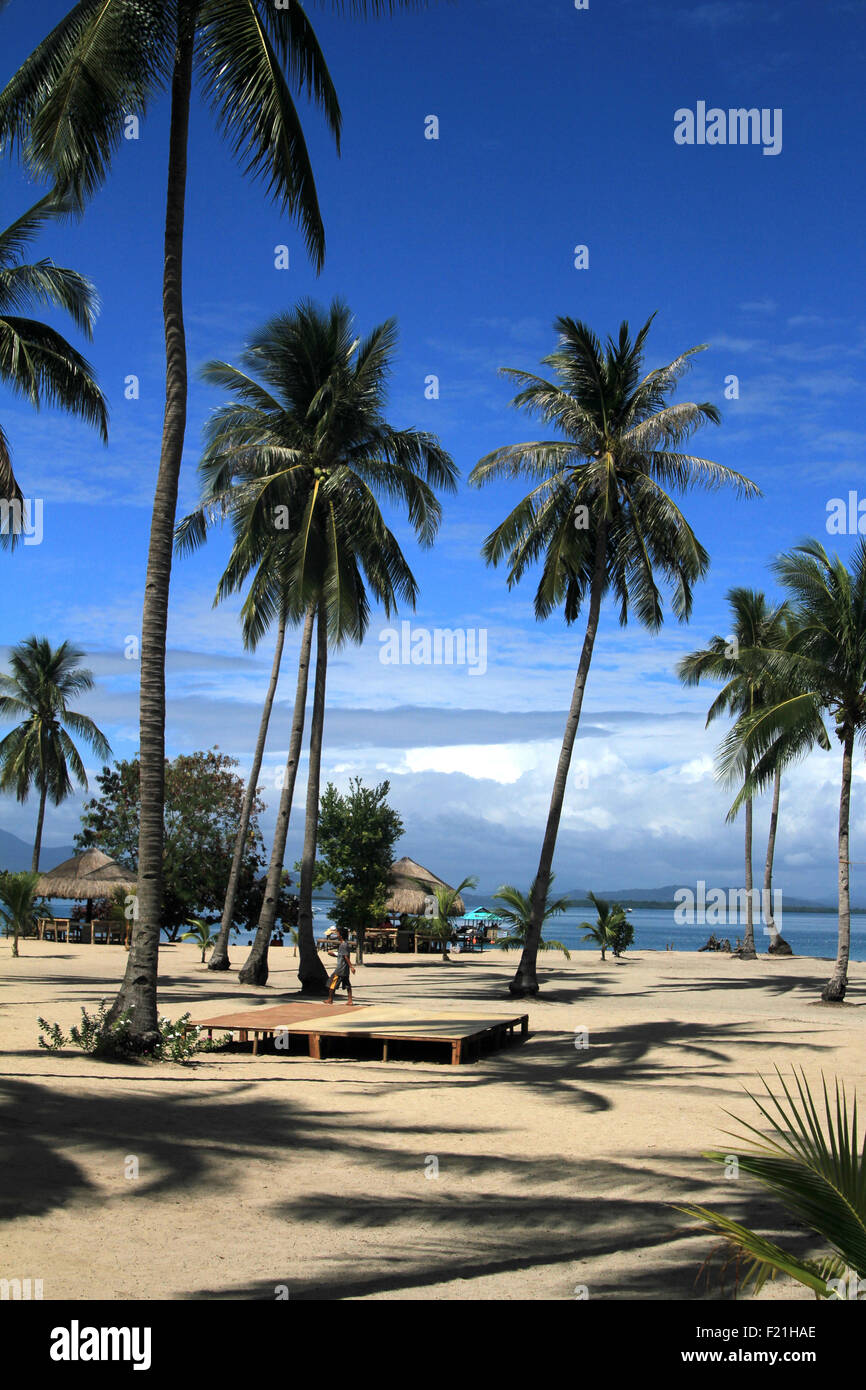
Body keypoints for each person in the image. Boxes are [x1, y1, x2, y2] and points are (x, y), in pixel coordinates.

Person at [326, 926, 356, 1004]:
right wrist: (333, 954)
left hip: (340, 969)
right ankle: (350, 1000)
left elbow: (346, 957)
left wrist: (351, 966)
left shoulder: (343, 945)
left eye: (338, 933)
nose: (337, 935)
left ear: (341, 935)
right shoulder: (344, 944)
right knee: (347, 984)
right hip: (344, 969)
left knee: (332, 983)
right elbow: (341, 955)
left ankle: (330, 999)